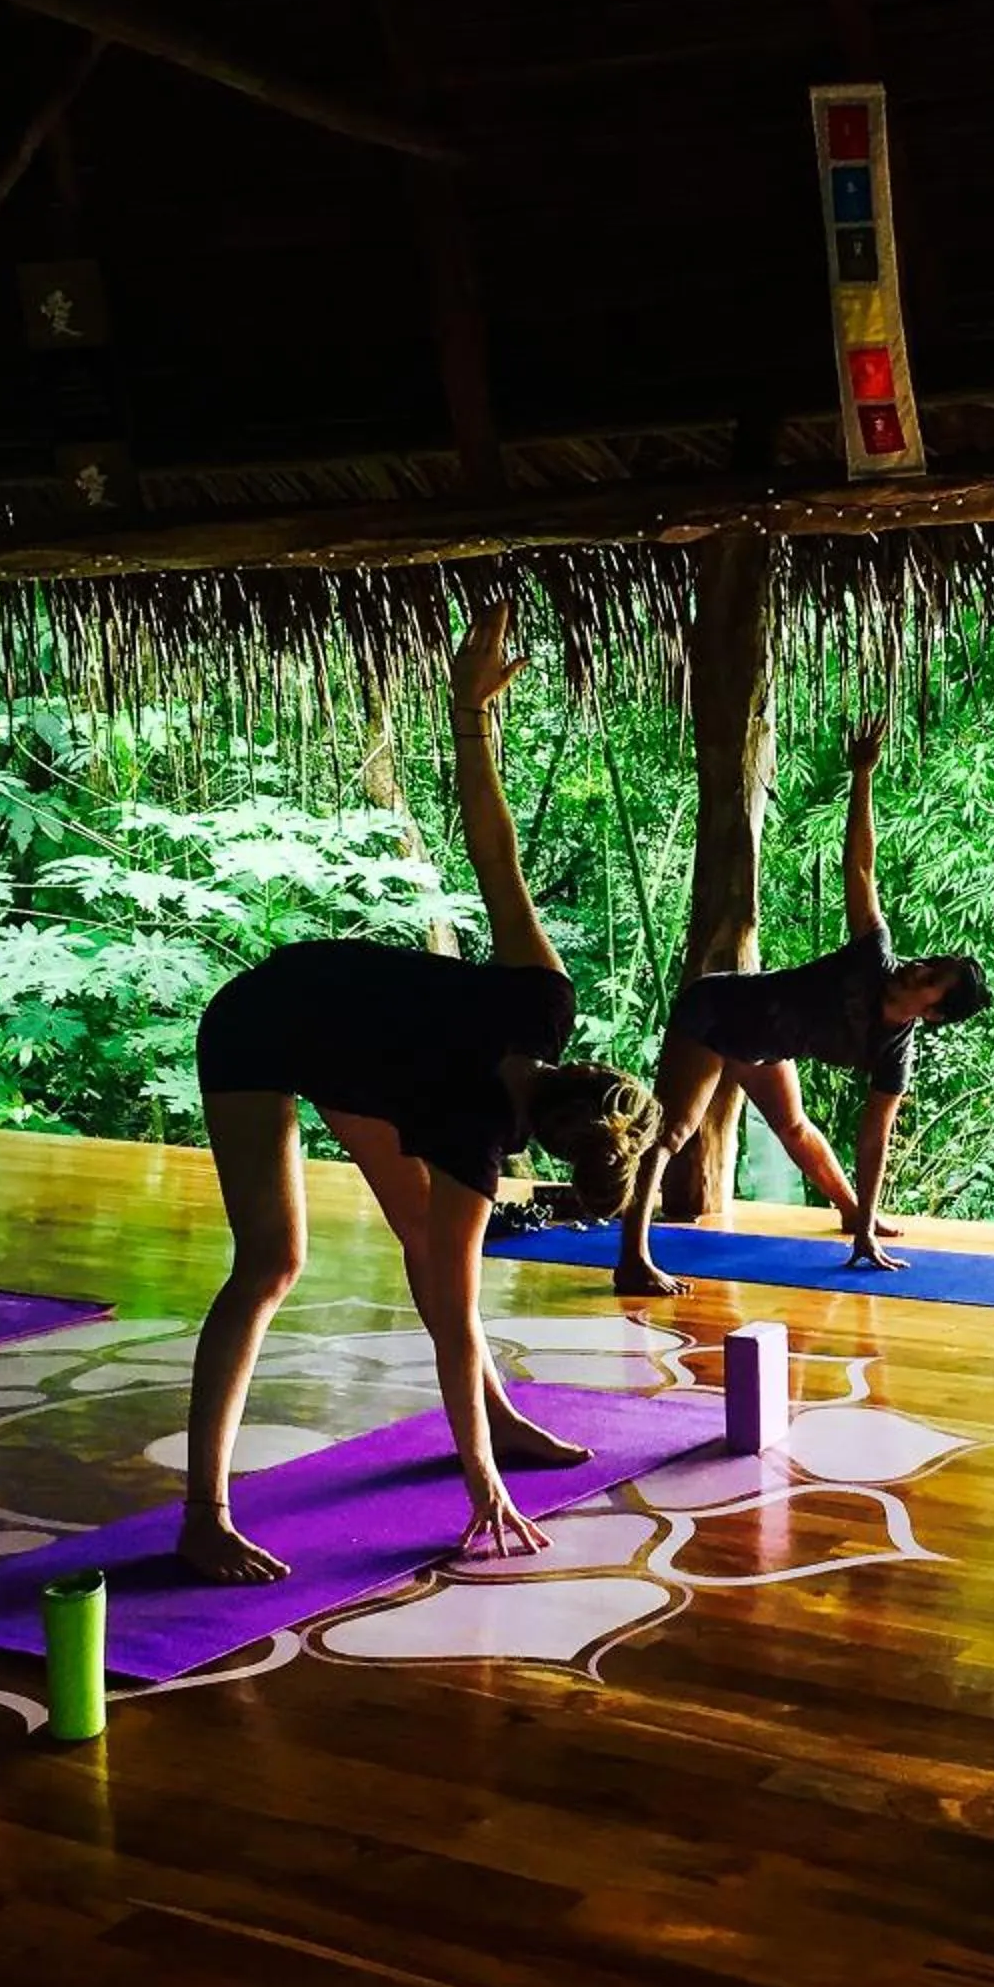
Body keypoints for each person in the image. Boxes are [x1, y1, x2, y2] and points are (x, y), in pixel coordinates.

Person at [180, 604, 658, 1585]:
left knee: (424, 1250)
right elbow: (461, 1318)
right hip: (260, 1025)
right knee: (272, 1263)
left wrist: (469, 715)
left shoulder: (544, 1003)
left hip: (354, 1036)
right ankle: (203, 1515)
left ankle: (503, 1423)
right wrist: (479, 1484)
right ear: (547, 1151)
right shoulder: (476, 1144)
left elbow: (498, 856)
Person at [615, 711, 992, 1296]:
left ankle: (849, 1213)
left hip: (767, 1045)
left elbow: (874, 1139)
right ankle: (632, 1258)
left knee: (793, 1125)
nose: (917, 967)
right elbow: (860, 868)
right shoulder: (875, 956)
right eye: (928, 963)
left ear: (932, 1012)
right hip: (716, 1015)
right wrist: (862, 773)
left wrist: (865, 1228)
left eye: (930, 979)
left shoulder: (894, 1051)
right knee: (674, 1133)